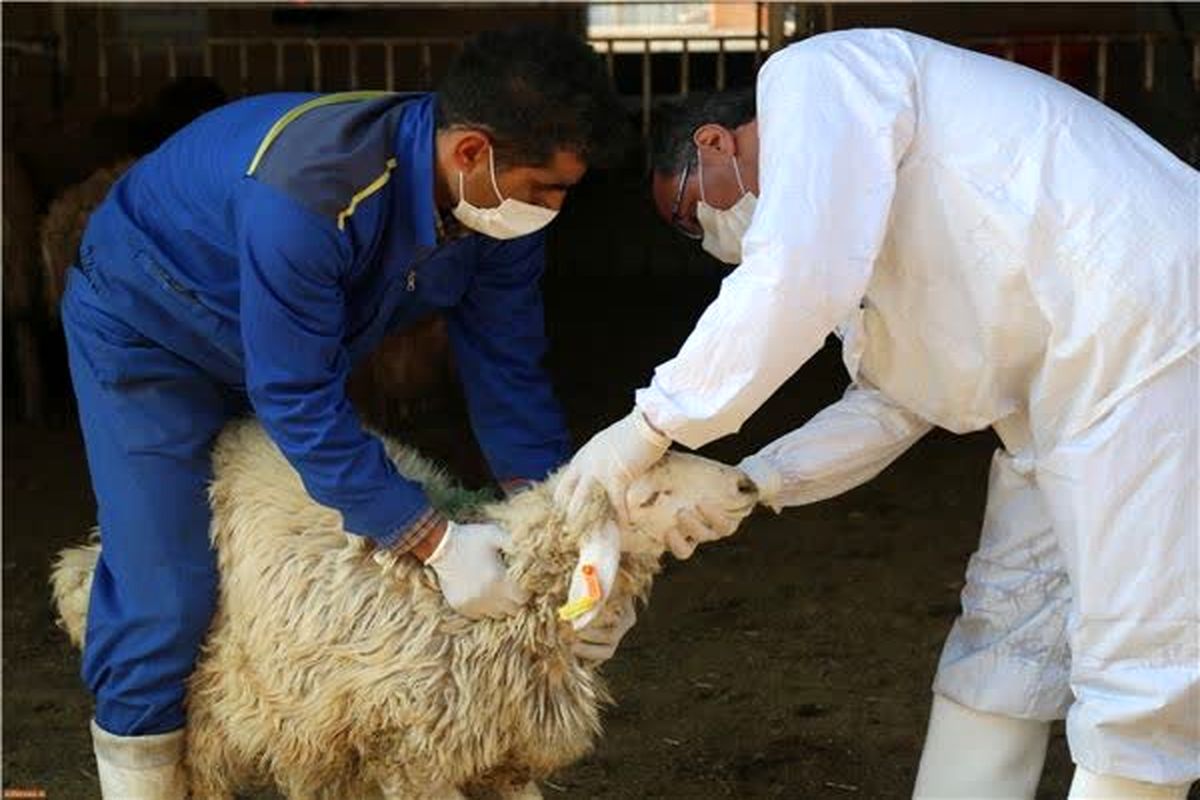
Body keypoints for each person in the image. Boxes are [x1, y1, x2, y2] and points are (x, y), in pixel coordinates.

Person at [556, 28, 1198, 799]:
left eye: (694, 215)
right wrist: (749, 484)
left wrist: (646, 428)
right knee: (1006, 627)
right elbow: (891, 405)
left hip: (1157, 335)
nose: (708, 240)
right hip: (1063, 393)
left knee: (1142, 658)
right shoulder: (855, 251)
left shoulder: (816, 77)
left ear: (716, 141)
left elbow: (791, 276)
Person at [63, 27, 633, 798]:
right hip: (153, 329)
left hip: (290, 342)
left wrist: (566, 532)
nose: (555, 208)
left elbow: (509, 373)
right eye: (547, 188)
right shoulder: (317, 188)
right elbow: (294, 397)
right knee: (166, 584)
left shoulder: (499, 214)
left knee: (320, 564)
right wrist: (430, 539)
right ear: (472, 154)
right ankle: (141, 781)